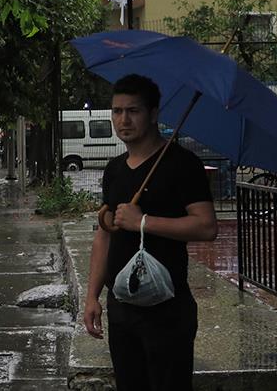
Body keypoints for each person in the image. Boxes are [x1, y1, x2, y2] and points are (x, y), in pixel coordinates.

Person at [83, 74, 217, 391]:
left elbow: (206, 225)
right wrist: (91, 297)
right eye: (117, 111)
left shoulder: (183, 164)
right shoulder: (114, 169)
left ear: (154, 113)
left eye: (133, 111)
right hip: (121, 309)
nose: (123, 120)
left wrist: (144, 222)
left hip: (167, 311)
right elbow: (105, 235)